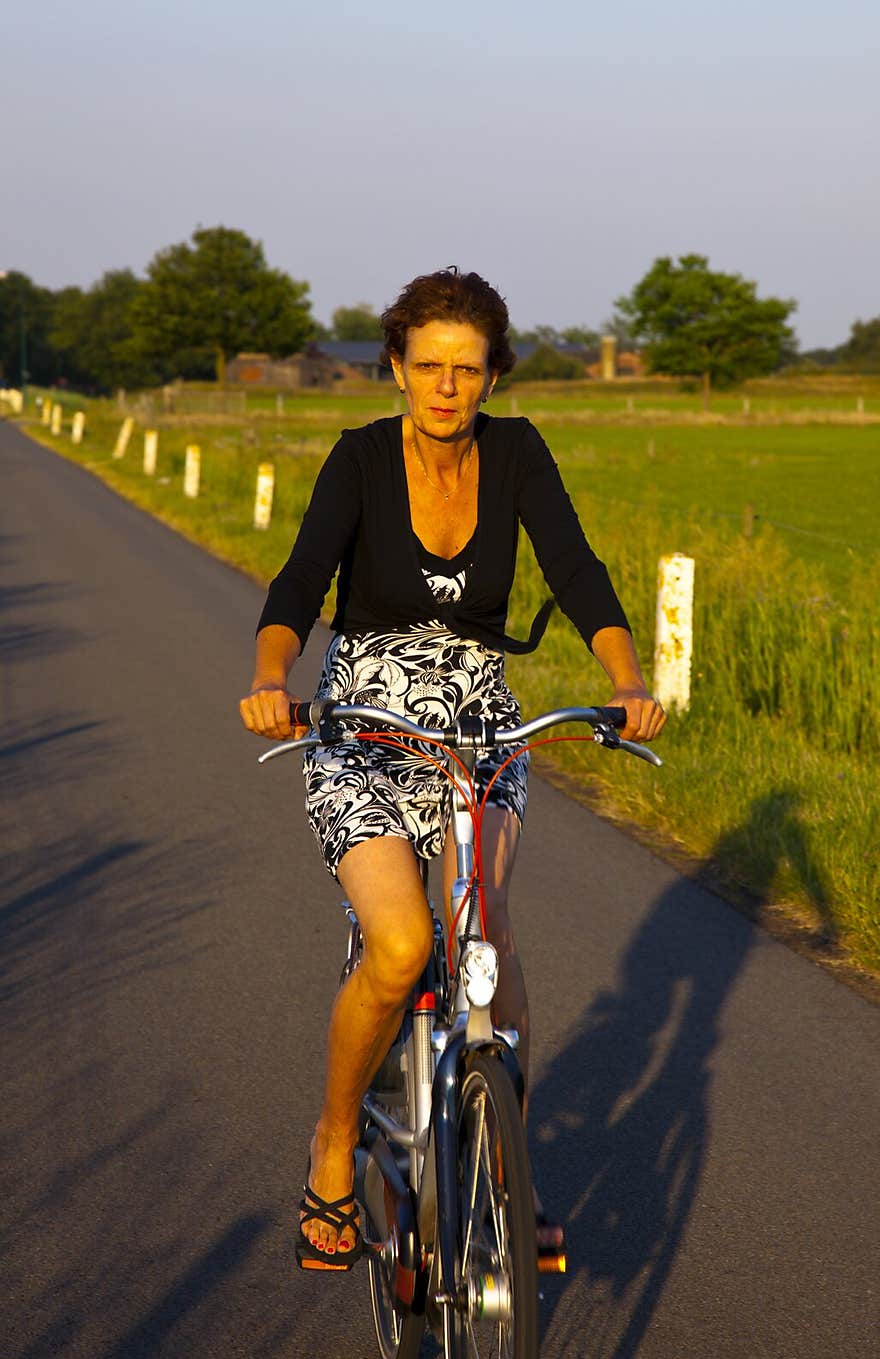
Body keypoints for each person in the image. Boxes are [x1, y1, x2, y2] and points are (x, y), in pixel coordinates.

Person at [239, 268, 665, 1270]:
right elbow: (303, 577)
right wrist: (270, 674)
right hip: (367, 728)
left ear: (492, 377)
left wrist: (626, 679)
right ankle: (334, 1147)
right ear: (393, 368)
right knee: (396, 946)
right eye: (426, 366)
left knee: (488, 936)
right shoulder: (356, 461)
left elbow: (575, 566)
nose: (445, 386)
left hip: (479, 730)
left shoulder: (516, 455)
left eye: (466, 370)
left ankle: (506, 1179)